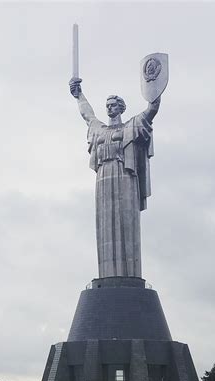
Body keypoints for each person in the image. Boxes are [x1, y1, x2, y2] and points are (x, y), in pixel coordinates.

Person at [69, 77, 161, 279]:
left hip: (125, 176)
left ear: (121, 108)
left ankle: (128, 275)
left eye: (113, 105)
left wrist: (155, 88)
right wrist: (79, 95)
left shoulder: (131, 127)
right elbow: (87, 114)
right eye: (107, 105)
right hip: (103, 179)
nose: (110, 108)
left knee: (126, 224)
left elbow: (151, 110)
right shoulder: (99, 130)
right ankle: (107, 275)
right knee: (105, 225)